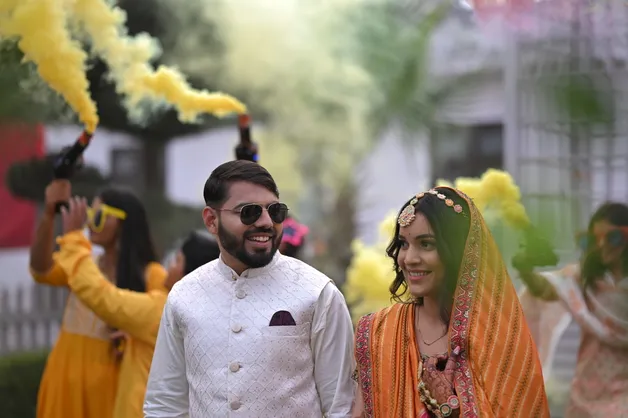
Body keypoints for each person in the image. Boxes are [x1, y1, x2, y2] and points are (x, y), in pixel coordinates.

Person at [144, 160, 355, 417]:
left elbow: (342, 406)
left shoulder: (317, 292)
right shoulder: (184, 295)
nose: (266, 222)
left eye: (275, 211)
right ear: (212, 220)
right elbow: (165, 405)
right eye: (249, 212)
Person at [351, 187, 549, 418]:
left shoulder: (497, 337)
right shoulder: (379, 331)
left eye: (426, 244)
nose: (409, 259)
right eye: (404, 244)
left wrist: (452, 408)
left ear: (458, 251)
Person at [55, 209, 222, 418]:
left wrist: (74, 241)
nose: (169, 267)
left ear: (189, 273)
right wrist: (134, 339)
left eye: (177, 261)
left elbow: (103, 297)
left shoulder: (164, 309)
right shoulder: (201, 311)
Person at [29, 182, 166, 418]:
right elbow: (41, 270)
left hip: (110, 386)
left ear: (123, 223)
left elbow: (164, 332)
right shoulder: (85, 263)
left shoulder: (152, 275)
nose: (90, 222)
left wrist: (134, 337)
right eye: (90, 214)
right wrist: (49, 216)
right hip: (63, 376)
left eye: (99, 215)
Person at [514, 202, 628, 417]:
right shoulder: (586, 278)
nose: (603, 246)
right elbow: (546, 289)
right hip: (587, 390)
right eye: (595, 240)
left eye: (613, 237)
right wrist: (525, 269)